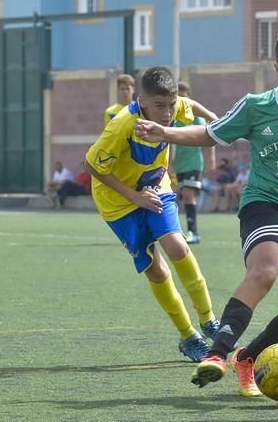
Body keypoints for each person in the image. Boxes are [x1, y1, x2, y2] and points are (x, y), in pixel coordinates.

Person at [135, 29, 278, 397]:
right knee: (265, 270)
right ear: (275, 69)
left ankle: (247, 357)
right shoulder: (256, 105)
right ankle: (217, 354)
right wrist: (164, 132)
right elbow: (210, 133)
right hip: (262, 202)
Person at [85, 66, 220, 362]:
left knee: (178, 245)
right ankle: (189, 337)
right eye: (160, 106)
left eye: (171, 105)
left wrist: (212, 118)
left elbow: (190, 105)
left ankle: (209, 319)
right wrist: (133, 196)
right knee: (157, 269)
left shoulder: (172, 106)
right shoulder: (122, 124)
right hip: (118, 203)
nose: (167, 113)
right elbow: (94, 166)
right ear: (142, 99)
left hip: (156, 187)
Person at [171, 81, 217, 244]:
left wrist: (211, 159)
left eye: (184, 95)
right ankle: (188, 230)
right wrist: (169, 163)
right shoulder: (173, 116)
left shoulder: (195, 117)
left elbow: (208, 136)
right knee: (184, 196)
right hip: (180, 164)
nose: (181, 98)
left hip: (194, 162)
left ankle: (193, 232)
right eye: (178, 95)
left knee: (189, 195)